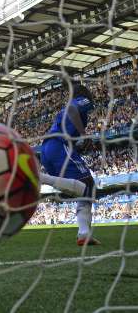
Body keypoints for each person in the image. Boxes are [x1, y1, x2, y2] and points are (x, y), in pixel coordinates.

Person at [40, 84, 100, 246]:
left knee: (86, 187)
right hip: (59, 145)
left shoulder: (63, 112)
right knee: (88, 184)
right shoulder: (82, 100)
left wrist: (81, 144)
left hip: (48, 149)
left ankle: (84, 234)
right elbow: (73, 110)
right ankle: (40, 177)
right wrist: (84, 135)